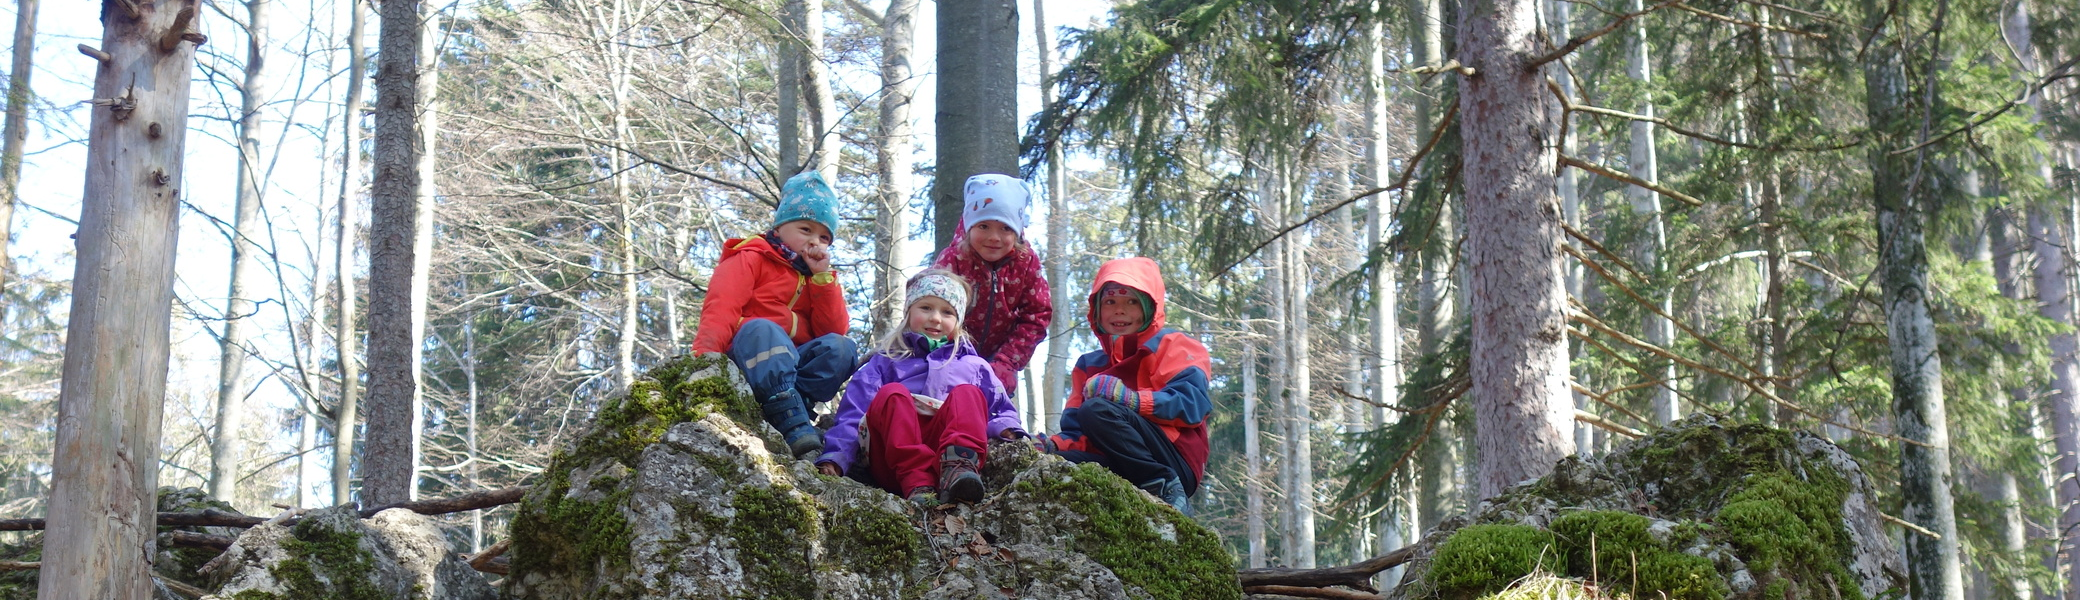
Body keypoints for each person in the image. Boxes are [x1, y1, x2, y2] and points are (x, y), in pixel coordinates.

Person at [817, 269, 1026, 506]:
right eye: (925, 308)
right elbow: (854, 412)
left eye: (947, 312)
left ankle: (959, 468)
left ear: (958, 321)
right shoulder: (886, 360)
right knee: (892, 394)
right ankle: (917, 482)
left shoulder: (974, 365)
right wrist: (837, 456)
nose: (936, 318)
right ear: (908, 312)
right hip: (893, 461)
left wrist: (1007, 427)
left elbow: (1001, 408)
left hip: (944, 454)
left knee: (968, 394)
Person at [690, 171, 857, 460]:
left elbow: (832, 329)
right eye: (805, 230)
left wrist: (822, 280)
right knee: (763, 329)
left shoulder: (815, 277)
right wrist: (705, 360)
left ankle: (797, 406)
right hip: (750, 355)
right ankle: (786, 411)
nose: (814, 242)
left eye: (824, 237)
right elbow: (721, 307)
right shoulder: (752, 256)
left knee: (843, 348)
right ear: (780, 227)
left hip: (792, 366)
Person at [1047, 258, 1210, 515]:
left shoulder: (1176, 345)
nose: (1119, 310)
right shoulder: (1088, 365)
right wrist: (1051, 445)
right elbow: (1077, 433)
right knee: (1053, 464)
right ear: (1097, 310)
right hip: (1118, 459)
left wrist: (1131, 400)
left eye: (1131, 301)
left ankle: (1165, 486)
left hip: (1173, 460)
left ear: (1149, 308)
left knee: (1096, 409)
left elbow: (1192, 406)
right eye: (1110, 301)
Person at [931, 173, 1053, 395]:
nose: (994, 237)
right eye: (984, 226)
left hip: (1000, 362)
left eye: (1005, 228)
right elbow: (933, 307)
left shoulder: (1026, 264)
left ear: (1017, 231)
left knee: (994, 416)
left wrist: (1007, 361)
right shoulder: (954, 259)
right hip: (950, 358)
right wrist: (947, 354)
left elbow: (1037, 316)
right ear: (969, 225)